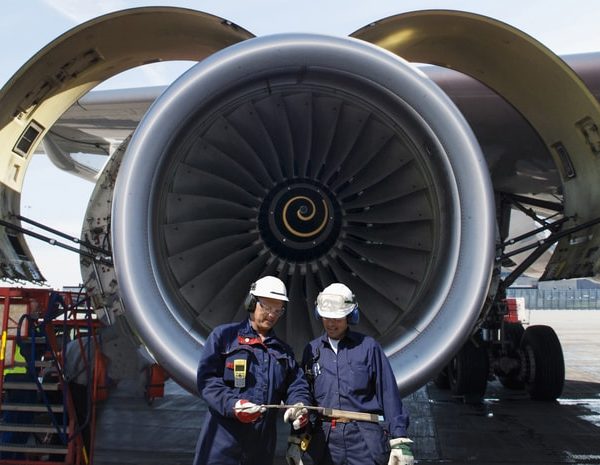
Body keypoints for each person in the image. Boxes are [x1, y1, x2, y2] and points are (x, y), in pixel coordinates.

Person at [289, 283, 414, 465]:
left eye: (337, 318)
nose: (331, 324)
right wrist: (295, 438)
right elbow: (305, 396)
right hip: (325, 441)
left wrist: (400, 440)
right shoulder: (312, 350)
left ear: (350, 316)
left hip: (363, 440)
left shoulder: (368, 347)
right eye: (327, 318)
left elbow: (389, 395)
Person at [193, 275, 311, 465]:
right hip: (221, 445)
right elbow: (207, 382)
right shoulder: (224, 338)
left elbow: (296, 384)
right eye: (266, 307)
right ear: (251, 303)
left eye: (277, 310)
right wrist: (233, 405)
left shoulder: (283, 352)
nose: (271, 315)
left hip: (260, 450)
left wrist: (299, 404)